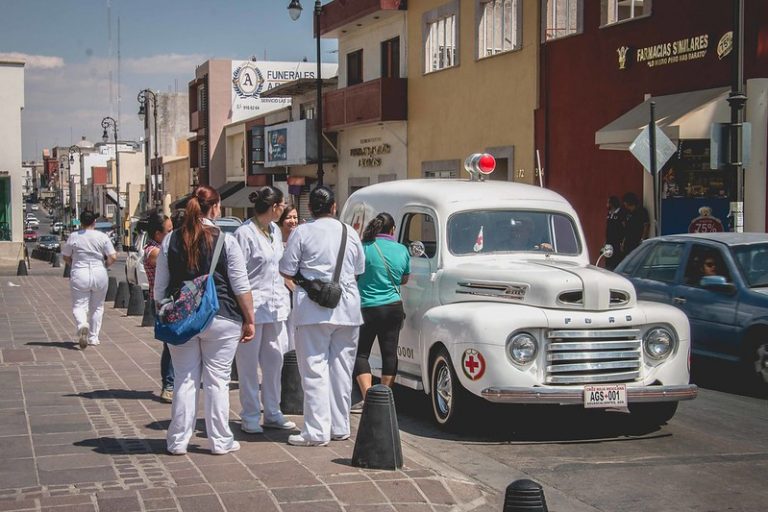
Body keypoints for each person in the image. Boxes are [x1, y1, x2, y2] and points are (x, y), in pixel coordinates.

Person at [154, 186, 255, 456]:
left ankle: (177, 441)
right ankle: (220, 440)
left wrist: (167, 311)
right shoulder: (225, 240)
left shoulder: (171, 240)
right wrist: (250, 319)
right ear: (215, 208)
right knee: (217, 380)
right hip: (222, 316)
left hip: (184, 319)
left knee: (185, 379)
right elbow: (241, 286)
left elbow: (159, 290)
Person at [279, 186, 366, 446]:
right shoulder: (348, 232)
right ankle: (339, 426)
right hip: (347, 307)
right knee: (342, 369)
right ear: (334, 206)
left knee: (314, 369)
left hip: (312, 310)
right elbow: (359, 268)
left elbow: (286, 268)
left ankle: (316, 430)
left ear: (311, 209)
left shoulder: (301, 232)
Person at [233, 186, 295, 434]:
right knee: (248, 365)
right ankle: (249, 414)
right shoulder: (244, 234)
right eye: (282, 206)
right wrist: (244, 313)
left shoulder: (274, 231)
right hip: (253, 307)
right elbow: (237, 275)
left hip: (276, 306)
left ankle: (272, 410)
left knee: (274, 360)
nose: (284, 210)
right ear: (274, 207)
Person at [353, 213, 410, 412]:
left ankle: (368, 397)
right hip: (393, 308)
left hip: (367, 308)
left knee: (361, 353)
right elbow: (404, 278)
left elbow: (354, 275)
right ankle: (384, 396)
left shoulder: (364, 248)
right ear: (392, 229)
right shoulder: (402, 249)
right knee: (389, 353)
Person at [62, 210, 118, 349]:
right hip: (99, 272)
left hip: (80, 272)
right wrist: (105, 265)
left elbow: (66, 256)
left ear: (80, 222)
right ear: (94, 222)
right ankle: (93, 337)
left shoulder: (74, 236)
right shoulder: (102, 236)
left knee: (79, 305)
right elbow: (113, 256)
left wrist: (72, 263)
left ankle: (82, 324)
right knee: (97, 306)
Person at [141, 210, 174, 403]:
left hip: (167, 301)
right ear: (158, 234)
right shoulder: (154, 252)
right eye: (169, 230)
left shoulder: (161, 248)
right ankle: (168, 385)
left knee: (173, 345)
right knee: (170, 346)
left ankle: (172, 383)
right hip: (161, 302)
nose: (173, 233)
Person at [277, 204, 300, 351]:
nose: (293, 221)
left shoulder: (300, 239)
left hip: (298, 296)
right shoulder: (275, 242)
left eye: (295, 217)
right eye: (289, 217)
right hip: (282, 296)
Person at [604, 196, 625, 270]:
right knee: (608, 257)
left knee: (616, 259)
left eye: (608, 203)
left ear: (612, 204)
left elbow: (624, 227)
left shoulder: (621, 213)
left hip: (617, 241)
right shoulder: (609, 214)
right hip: (609, 240)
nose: (607, 204)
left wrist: (623, 241)